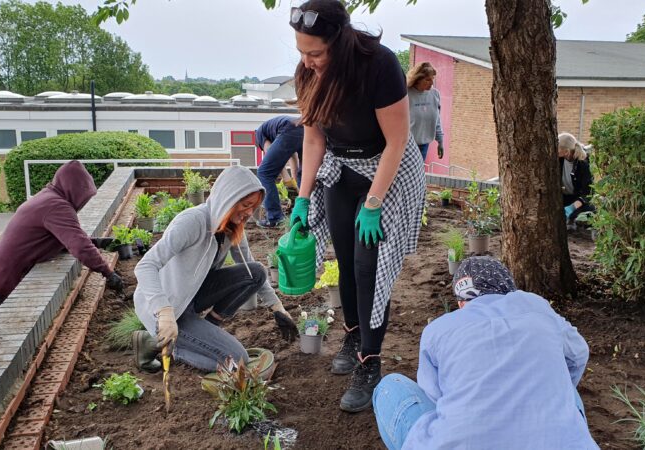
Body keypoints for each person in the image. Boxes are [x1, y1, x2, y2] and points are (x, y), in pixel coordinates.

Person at [288, 0, 426, 412]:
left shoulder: (379, 66)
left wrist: (373, 203)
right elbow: (314, 141)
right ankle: (351, 332)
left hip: (387, 169)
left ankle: (370, 360)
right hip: (342, 168)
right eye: (301, 52)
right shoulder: (307, 74)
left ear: (340, 41)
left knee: (369, 267)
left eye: (315, 53)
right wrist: (302, 196)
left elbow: (398, 142)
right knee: (345, 261)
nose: (308, 62)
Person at [372, 256, 599, 449]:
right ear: (509, 289)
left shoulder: (437, 329)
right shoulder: (535, 305)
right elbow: (578, 354)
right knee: (562, 387)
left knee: (388, 387)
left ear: (461, 303)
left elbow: (434, 396)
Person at [131, 165, 299, 373]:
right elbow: (145, 266)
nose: (249, 213)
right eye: (246, 205)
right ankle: (170, 346)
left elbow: (251, 269)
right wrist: (164, 312)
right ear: (229, 198)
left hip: (193, 295)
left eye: (253, 207)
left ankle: (204, 331)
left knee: (256, 272)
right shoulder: (192, 222)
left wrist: (278, 308)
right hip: (167, 307)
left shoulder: (232, 227)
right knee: (237, 360)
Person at [0, 161, 122, 321]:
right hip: (4, 277)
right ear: (74, 190)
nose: (84, 202)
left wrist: (99, 243)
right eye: (84, 196)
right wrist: (108, 273)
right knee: (5, 324)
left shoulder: (48, 197)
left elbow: (63, 238)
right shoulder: (57, 207)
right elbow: (79, 246)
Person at [255, 115, 305, 228]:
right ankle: (308, 213)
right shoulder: (275, 130)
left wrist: (287, 178)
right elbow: (293, 158)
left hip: (288, 128)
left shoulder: (259, 135)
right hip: (305, 128)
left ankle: (275, 217)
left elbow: (272, 161)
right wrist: (294, 181)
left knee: (264, 173)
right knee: (304, 174)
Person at [406, 62, 444, 162]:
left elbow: (437, 120)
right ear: (417, 79)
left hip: (424, 146)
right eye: (427, 79)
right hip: (406, 147)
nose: (431, 83)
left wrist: (440, 141)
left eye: (433, 79)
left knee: (418, 175)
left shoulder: (435, 94)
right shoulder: (406, 94)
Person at [558, 132, 596, 229]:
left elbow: (588, 193)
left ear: (566, 151)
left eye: (557, 149)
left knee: (587, 212)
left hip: (579, 200)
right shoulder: (559, 159)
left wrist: (571, 208)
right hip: (565, 197)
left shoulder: (583, 163)